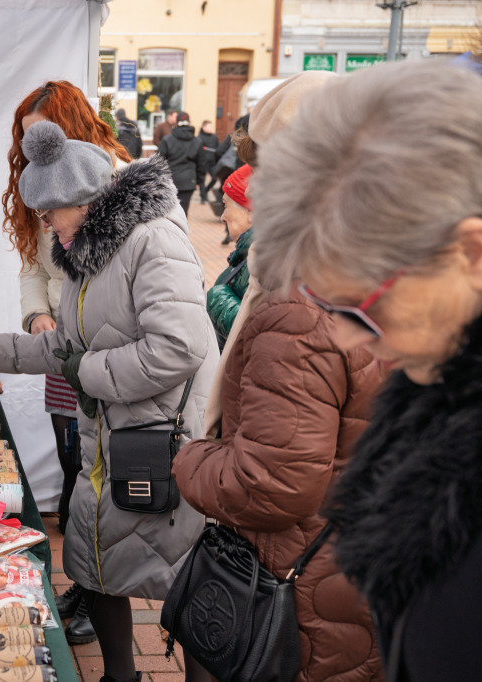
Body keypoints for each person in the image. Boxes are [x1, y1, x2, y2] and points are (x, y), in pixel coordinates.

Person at [0, 120, 218, 682]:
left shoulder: (151, 240)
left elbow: (178, 347)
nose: (44, 226)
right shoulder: (86, 253)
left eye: (48, 213)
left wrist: (86, 372)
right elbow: (65, 343)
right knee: (98, 566)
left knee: (181, 576)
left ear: (80, 199)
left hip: (158, 438)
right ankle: (120, 676)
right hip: (111, 435)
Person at [251, 58, 482, 681]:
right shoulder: (436, 391)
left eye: (360, 307)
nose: (351, 337)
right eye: (327, 307)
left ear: (471, 253)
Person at [172, 70, 387, 682]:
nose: (252, 185)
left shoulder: (301, 301)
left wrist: (190, 460)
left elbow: (269, 485)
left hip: (296, 595)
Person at [2, 80, 133, 645]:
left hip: (107, 351)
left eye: (40, 136)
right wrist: (37, 319)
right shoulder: (40, 188)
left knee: (99, 475)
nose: (31, 149)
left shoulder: (115, 179)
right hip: (61, 346)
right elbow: (33, 267)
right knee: (71, 460)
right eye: (24, 139)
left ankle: (101, 587)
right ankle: (86, 583)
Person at [206, 164, 253, 348]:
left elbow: (257, 331)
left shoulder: (262, 259)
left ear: (250, 211)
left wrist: (217, 299)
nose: (222, 217)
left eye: (226, 205)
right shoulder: (247, 253)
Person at [157, 112, 200, 216]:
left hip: (170, 179)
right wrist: (199, 181)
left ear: (176, 122)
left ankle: (170, 231)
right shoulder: (197, 141)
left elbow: (159, 161)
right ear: (189, 122)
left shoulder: (167, 140)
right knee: (184, 211)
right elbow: (201, 163)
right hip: (189, 180)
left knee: (168, 212)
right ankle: (182, 231)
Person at [195, 121, 218, 204]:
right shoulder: (199, 138)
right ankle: (203, 198)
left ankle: (206, 190)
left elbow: (217, 149)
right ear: (203, 128)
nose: (211, 128)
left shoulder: (214, 137)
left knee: (215, 178)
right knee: (202, 181)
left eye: (211, 127)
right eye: (209, 127)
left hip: (212, 162)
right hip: (203, 162)